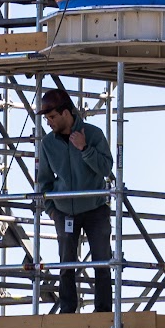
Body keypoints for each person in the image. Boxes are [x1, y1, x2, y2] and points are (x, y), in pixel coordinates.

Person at [33, 87, 115, 314]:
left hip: (95, 209)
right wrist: (52, 210)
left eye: (51, 117)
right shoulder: (48, 144)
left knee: (102, 261)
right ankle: (67, 309)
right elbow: (44, 181)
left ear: (66, 113)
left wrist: (84, 148)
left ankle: (103, 312)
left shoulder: (93, 134)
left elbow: (106, 168)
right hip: (64, 212)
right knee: (66, 263)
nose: (48, 122)